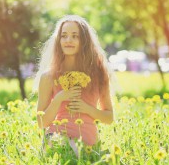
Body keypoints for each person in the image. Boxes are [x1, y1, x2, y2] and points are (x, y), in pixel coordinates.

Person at [33, 15, 115, 155]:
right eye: (64, 36)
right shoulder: (48, 76)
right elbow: (41, 123)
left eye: (74, 36)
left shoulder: (100, 74)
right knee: (66, 148)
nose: (68, 40)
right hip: (56, 139)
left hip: (88, 145)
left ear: (84, 41)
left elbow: (109, 117)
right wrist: (59, 98)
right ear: (58, 40)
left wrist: (87, 109)